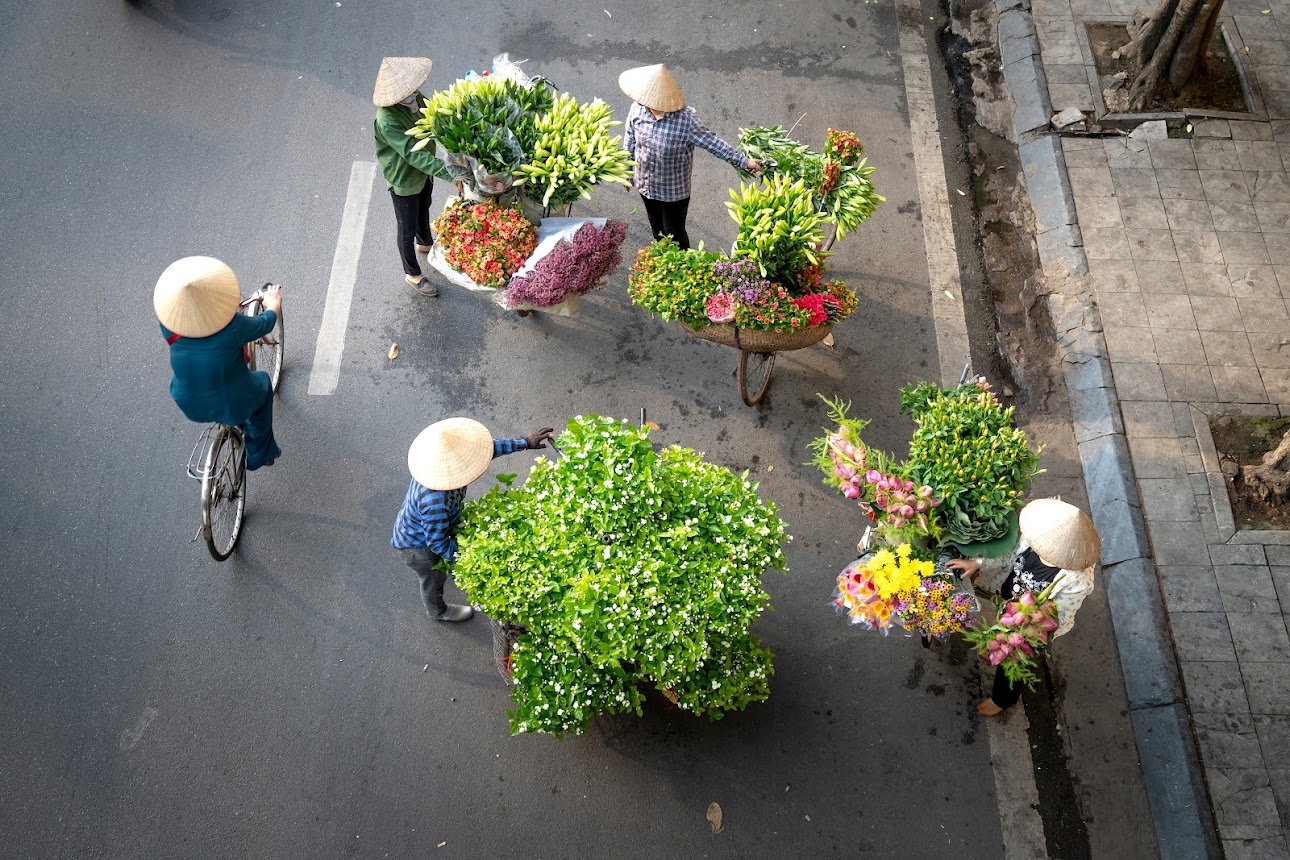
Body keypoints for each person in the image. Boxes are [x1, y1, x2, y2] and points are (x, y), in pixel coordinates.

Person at [947, 498, 1101, 717]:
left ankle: (1003, 698)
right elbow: (1008, 556)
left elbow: (1062, 617)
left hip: (1028, 628)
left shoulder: (1075, 581)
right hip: (1009, 606)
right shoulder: (1030, 540)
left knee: (1013, 664)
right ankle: (993, 650)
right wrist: (977, 563)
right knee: (997, 636)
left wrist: (1025, 634)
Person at [392, 418, 554, 622]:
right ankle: (438, 612)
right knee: (433, 579)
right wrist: (471, 560)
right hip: (417, 546)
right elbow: (437, 543)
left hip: (430, 526)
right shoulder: (436, 500)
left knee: (444, 561)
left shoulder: (438, 465)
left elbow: (487, 450)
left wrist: (524, 442)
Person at [155, 256, 282, 470]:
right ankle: (259, 454)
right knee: (262, 383)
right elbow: (264, 323)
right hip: (232, 401)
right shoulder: (233, 327)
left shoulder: (169, 326)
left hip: (188, 402)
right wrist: (273, 304)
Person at [619, 63, 761, 250]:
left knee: (674, 234)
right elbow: (630, 138)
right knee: (657, 229)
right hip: (646, 185)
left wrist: (744, 162)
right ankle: (663, 260)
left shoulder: (685, 121)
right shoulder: (637, 109)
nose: (642, 101)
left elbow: (714, 143)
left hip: (673, 193)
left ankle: (681, 263)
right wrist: (626, 171)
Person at [373, 56, 454, 298]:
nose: (414, 94)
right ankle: (413, 273)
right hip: (405, 178)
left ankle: (425, 242)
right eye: (408, 93)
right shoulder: (387, 120)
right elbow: (412, 155)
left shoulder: (415, 97)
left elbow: (433, 115)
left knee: (424, 208)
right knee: (405, 228)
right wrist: (451, 173)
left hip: (424, 172)